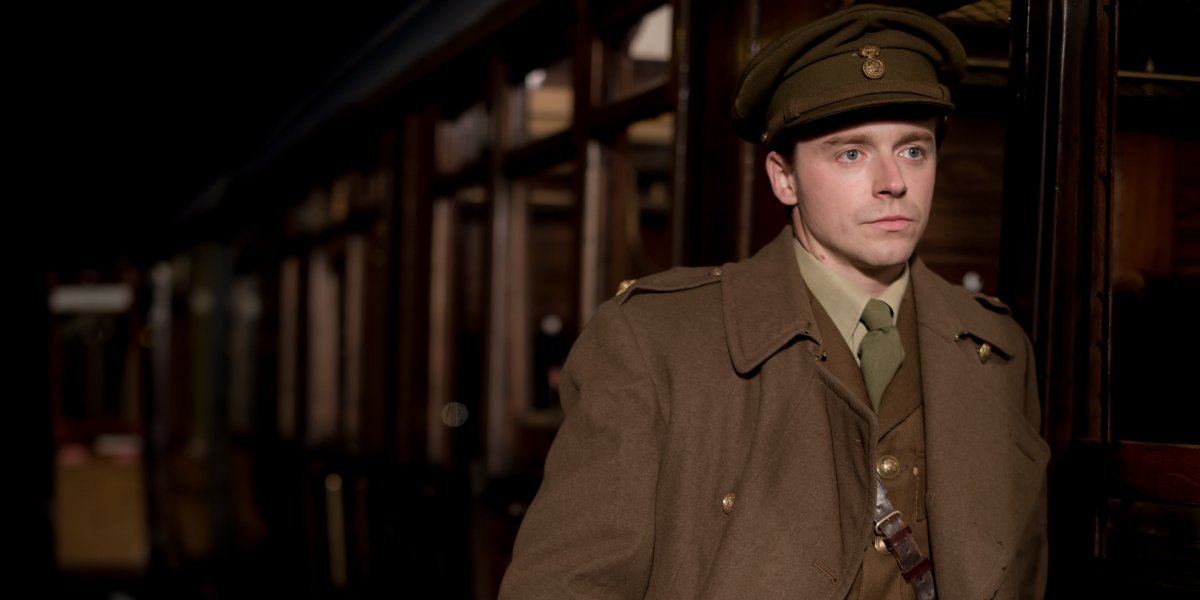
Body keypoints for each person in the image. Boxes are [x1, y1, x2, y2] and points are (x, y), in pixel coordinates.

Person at [498, 4, 1049, 599]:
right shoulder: (657, 343)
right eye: (851, 153)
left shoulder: (996, 353)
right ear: (783, 178)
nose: (893, 180)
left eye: (914, 150)